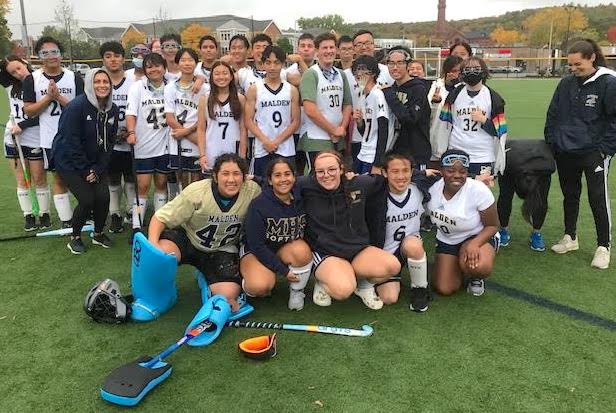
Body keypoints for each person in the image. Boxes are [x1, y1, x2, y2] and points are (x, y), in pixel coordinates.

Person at [148, 153, 261, 309]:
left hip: (222, 248)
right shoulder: (197, 192)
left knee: (227, 296)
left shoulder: (253, 191)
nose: (231, 179)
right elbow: (160, 218)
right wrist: (153, 246)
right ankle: (157, 293)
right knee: (161, 254)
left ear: (244, 177)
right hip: (189, 240)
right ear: (215, 176)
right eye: (225, 174)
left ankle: (205, 275)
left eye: (236, 174)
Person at [296, 150, 401, 310]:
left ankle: (363, 285)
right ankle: (324, 281)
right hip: (327, 252)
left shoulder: (358, 183)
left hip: (357, 249)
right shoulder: (306, 185)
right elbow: (280, 183)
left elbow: (389, 178)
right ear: (314, 173)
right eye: (320, 171)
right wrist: (252, 178)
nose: (326, 175)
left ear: (342, 169)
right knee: (343, 290)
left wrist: (421, 174)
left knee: (392, 266)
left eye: (332, 169)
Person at [545, 39, 616, 269]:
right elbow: (553, 113)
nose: (574, 69)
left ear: (592, 57)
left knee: (597, 197)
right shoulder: (566, 83)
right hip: (566, 151)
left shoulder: (608, 83)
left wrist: (605, 149)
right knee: (570, 195)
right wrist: (553, 141)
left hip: (594, 152)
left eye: (578, 64)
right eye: (570, 65)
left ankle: (603, 246)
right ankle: (570, 237)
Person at [51, 68, 119, 254]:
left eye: (106, 82)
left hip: (94, 163)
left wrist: (97, 168)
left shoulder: (112, 109)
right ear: (89, 84)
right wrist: (85, 170)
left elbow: (109, 142)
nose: (102, 85)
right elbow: (69, 142)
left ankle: (98, 234)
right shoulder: (76, 107)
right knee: (87, 199)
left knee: (104, 197)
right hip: (70, 162)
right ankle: (75, 237)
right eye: (97, 81)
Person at [23, 36, 84, 228]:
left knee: (84, 175)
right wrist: (48, 99)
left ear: (61, 54)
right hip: (51, 139)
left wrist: (59, 97)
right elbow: (29, 110)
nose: (51, 56)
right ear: (39, 56)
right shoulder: (32, 79)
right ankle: (67, 220)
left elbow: (82, 108)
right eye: (45, 52)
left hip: (76, 135)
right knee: (59, 178)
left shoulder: (73, 77)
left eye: (55, 51)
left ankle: (87, 213)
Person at [240, 157, 312, 310]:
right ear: (270, 180)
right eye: (277, 175)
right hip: (256, 250)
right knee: (260, 286)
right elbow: (256, 245)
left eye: (287, 174)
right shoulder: (259, 204)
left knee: (301, 250)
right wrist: (283, 271)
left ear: (294, 177)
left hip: (283, 247)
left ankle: (297, 290)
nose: (283, 179)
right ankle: (240, 279)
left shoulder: (302, 197)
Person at [426, 149, 499, 296]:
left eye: (462, 171)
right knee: (444, 288)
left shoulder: (478, 190)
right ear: (441, 170)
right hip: (448, 239)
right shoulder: (431, 188)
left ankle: (475, 276)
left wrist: (475, 243)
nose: (457, 175)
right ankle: (458, 265)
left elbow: (493, 225)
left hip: (477, 236)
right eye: (450, 170)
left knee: (479, 266)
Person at [368, 152, 430, 312]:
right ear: (384, 172)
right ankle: (388, 276)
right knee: (389, 298)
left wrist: (475, 178)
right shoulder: (375, 195)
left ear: (412, 172)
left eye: (405, 171)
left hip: (407, 247)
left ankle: (420, 289)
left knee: (413, 245)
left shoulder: (418, 188)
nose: (401, 176)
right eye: (395, 172)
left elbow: (449, 178)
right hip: (385, 254)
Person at [438, 56, 507, 180]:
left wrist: (484, 120)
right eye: (468, 68)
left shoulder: (493, 98)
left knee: (481, 193)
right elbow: (444, 125)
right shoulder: (454, 95)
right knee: (456, 190)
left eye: (476, 68)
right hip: (457, 151)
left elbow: (500, 132)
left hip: (482, 155)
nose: (471, 71)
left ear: (484, 71)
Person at [0, 56, 49, 231]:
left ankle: (44, 214)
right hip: (14, 137)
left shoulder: (40, 81)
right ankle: (28, 215)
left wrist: (23, 125)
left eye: (19, 68)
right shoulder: (10, 86)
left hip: (35, 136)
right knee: (22, 179)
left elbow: (45, 114)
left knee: (38, 178)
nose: (18, 74)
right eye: (13, 72)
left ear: (24, 62)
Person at [126, 52, 170, 240]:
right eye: (149, 66)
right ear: (145, 70)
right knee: (142, 187)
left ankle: (157, 223)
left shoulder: (172, 86)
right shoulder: (137, 87)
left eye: (157, 65)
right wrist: (131, 132)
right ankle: (137, 224)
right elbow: (131, 113)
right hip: (143, 144)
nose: (154, 69)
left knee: (161, 183)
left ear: (164, 67)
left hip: (166, 144)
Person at [298, 32, 352, 173]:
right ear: (317, 51)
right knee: (316, 178)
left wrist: (342, 128)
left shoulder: (341, 74)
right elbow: (310, 110)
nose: (329, 51)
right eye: (324, 48)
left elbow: (347, 104)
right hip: (316, 138)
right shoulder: (311, 74)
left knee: (337, 178)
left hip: (337, 138)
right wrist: (332, 130)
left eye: (331, 47)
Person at [245, 45, 300, 177]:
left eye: (276, 63)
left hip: (285, 148)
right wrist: (266, 141)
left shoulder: (291, 90)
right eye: (268, 62)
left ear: (282, 64)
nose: (272, 67)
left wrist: (276, 142)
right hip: (262, 148)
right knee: (259, 187)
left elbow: (295, 121)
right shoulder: (255, 89)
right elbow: (248, 120)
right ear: (263, 64)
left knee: (286, 185)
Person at [100, 41, 138, 234]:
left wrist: (130, 131)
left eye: (116, 55)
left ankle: (132, 211)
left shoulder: (135, 82)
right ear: (103, 59)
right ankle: (114, 213)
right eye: (108, 56)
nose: (113, 59)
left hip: (131, 138)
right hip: (109, 141)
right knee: (113, 179)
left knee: (131, 178)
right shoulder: (100, 82)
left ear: (123, 58)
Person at [497, 139, 555, 252]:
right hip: (509, 157)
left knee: (541, 200)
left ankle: (536, 233)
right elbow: (504, 199)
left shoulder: (547, 167)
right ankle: (503, 230)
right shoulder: (507, 165)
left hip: (541, 156)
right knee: (505, 197)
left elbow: (542, 203)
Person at [164, 48, 210, 187]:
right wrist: (183, 132)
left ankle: (196, 208)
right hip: (177, 138)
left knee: (197, 178)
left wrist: (186, 132)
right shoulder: (170, 88)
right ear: (177, 64)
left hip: (196, 137)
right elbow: (170, 118)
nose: (187, 63)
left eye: (190, 60)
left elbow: (205, 119)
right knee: (181, 178)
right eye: (183, 60)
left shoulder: (205, 88)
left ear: (196, 63)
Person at [382, 47, 431, 169]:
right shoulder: (392, 88)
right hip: (396, 150)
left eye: (400, 63)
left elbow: (410, 119)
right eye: (391, 63)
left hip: (416, 152)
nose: (395, 67)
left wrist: (390, 96)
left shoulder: (418, 89)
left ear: (408, 65)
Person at [197, 61, 247, 172]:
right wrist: (202, 155)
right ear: (212, 77)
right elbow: (201, 129)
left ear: (231, 77)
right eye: (217, 73)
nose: (221, 77)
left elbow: (243, 129)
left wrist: (242, 156)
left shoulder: (240, 99)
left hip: (233, 150)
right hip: (211, 151)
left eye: (225, 73)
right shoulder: (205, 99)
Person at [351, 55, 390, 174]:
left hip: (372, 156)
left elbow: (383, 129)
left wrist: (378, 162)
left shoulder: (377, 95)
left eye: (363, 70)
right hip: (363, 152)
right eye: (356, 70)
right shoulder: (362, 94)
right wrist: (359, 122)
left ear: (372, 73)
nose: (359, 74)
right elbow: (366, 132)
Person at [427, 55, 463, 163]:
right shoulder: (436, 86)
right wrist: (435, 102)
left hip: (458, 140)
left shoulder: (464, 88)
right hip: (438, 138)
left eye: (459, 71)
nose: (455, 74)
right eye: (453, 71)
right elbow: (429, 112)